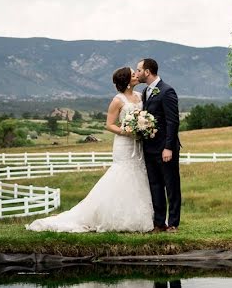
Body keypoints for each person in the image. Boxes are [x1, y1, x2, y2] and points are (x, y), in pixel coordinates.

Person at [26, 67, 153, 233]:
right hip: (124, 144)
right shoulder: (118, 100)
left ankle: (140, 217)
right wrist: (125, 131)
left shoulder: (139, 96)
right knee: (122, 175)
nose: (136, 75)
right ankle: (113, 217)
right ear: (127, 80)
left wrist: (143, 127)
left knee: (138, 175)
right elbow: (109, 124)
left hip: (138, 143)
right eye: (133, 73)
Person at [135, 58, 181, 232]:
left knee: (171, 186)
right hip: (150, 148)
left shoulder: (167, 91)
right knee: (155, 185)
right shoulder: (145, 92)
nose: (136, 73)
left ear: (147, 72)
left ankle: (174, 223)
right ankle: (159, 223)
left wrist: (168, 147)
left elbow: (172, 121)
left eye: (138, 70)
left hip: (165, 149)